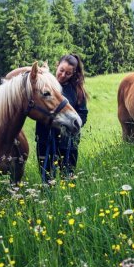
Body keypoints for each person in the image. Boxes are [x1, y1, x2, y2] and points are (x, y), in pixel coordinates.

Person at [35, 54, 88, 183]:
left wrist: (67, 126)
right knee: (47, 179)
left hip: (68, 142)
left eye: (68, 73)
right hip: (45, 139)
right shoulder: (45, 85)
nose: (63, 75)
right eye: (61, 70)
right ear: (57, 65)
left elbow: (82, 114)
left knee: (69, 178)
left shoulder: (77, 91)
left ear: (73, 73)